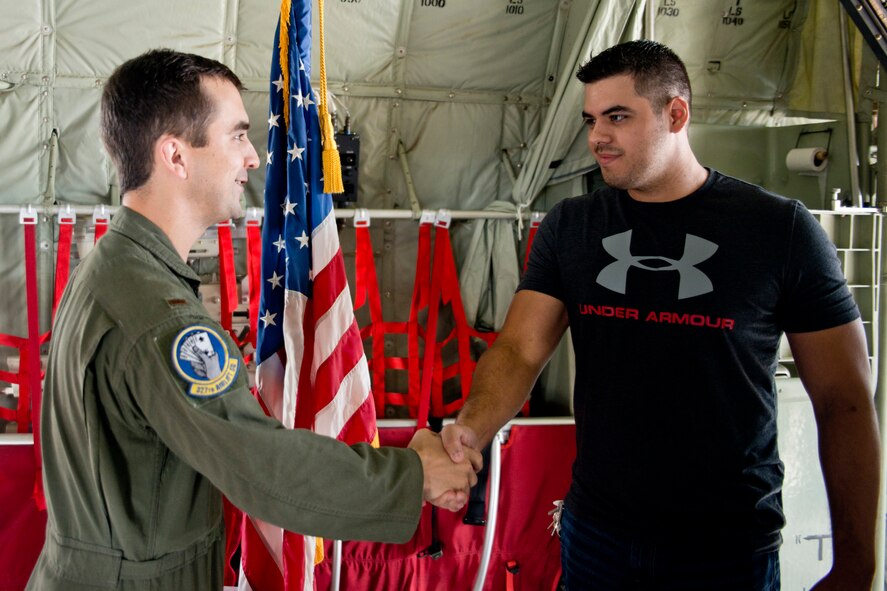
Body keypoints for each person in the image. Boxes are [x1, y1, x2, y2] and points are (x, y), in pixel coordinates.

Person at [28, 49, 480, 591]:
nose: (254, 159)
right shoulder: (158, 316)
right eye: (237, 136)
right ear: (176, 156)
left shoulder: (113, 266)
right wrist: (414, 475)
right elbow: (261, 464)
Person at [441, 40, 880, 590]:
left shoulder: (779, 231)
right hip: (596, 535)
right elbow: (519, 349)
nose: (597, 137)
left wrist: (858, 563)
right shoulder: (572, 226)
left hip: (726, 548)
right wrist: (472, 430)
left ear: (677, 114)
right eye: (591, 119)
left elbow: (844, 400)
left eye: (618, 117)